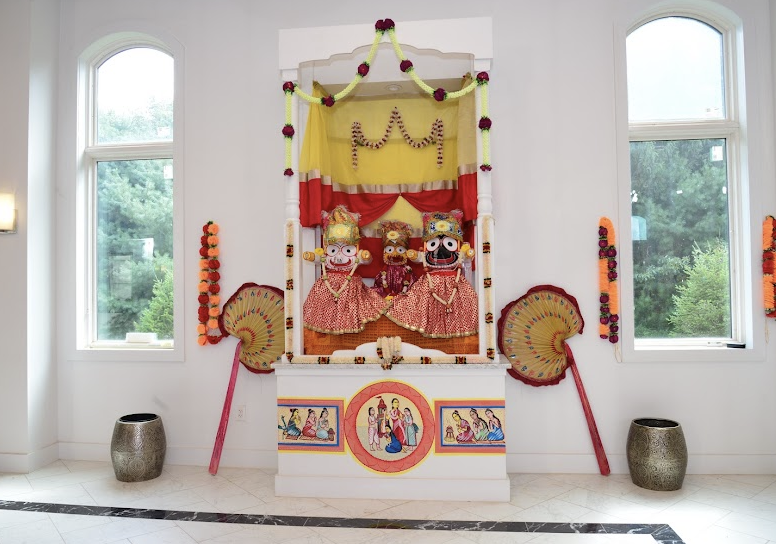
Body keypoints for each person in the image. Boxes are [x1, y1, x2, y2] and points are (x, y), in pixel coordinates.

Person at [302, 206, 389, 334]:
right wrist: (311, 256)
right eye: (333, 250)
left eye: (347, 250)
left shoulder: (357, 257)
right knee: (324, 310)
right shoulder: (326, 257)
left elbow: (366, 259)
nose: (338, 256)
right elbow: (320, 258)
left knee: (351, 309)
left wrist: (365, 256)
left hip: (350, 285)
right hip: (327, 285)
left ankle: (347, 331)